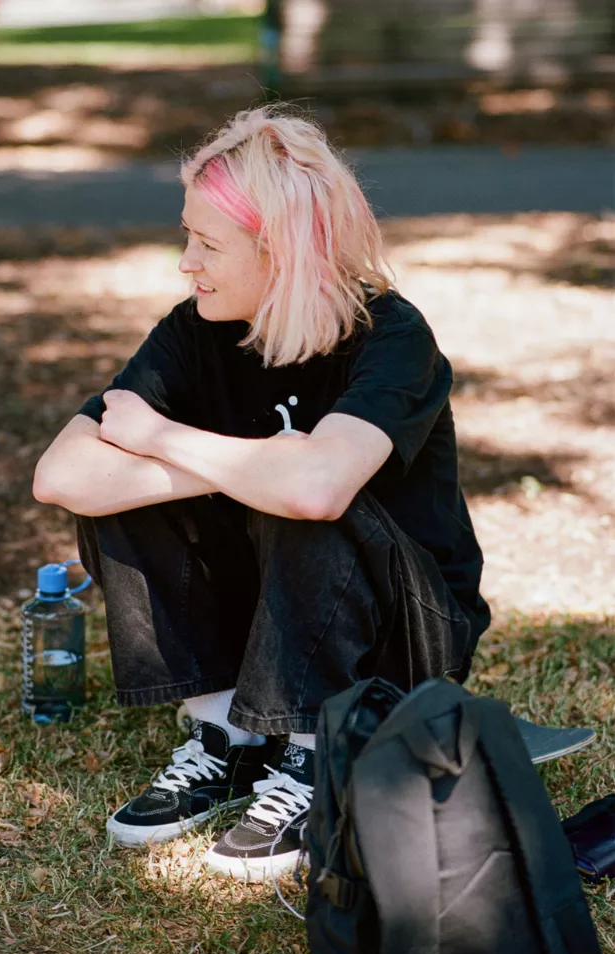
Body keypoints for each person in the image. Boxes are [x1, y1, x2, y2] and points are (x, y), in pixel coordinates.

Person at [33, 106, 490, 881]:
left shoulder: (391, 337)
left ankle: (317, 754)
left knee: (306, 496)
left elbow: (316, 489)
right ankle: (227, 740)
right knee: (146, 486)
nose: (186, 261)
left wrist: (166, 439)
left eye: (208, 244)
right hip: (273, 617)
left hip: (407, 628)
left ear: (281, 252)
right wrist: (237, 466)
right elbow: (61, 475)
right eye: (189, 235)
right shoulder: (197, 330)